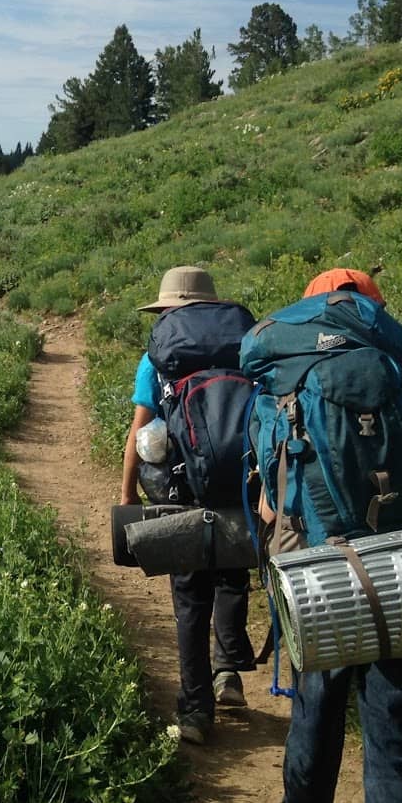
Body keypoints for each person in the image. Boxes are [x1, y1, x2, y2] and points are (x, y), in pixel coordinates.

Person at [267, 267, 402, 803]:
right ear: (377, 312)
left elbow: (266, 492)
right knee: (396, 742)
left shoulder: (290, 370)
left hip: (323, 574)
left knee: (316, 710)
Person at [119, 264, 256, 745]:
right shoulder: (244, 347)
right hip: (239, 484)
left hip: (181, 492)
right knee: (232, 575)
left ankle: (197, 712)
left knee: (190, 597)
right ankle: (229, 673)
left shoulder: (156, 359)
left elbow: (140, 433)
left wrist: (126, 494)